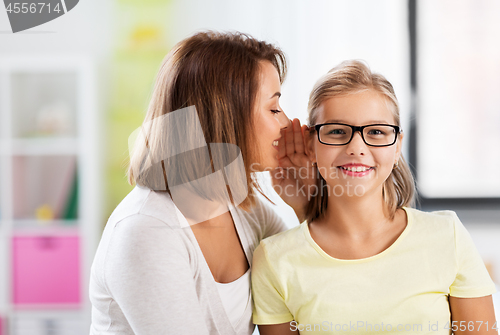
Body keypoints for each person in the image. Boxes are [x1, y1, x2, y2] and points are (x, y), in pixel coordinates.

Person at [251, 60, 498, 335]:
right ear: (311, 144)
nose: (356, 147)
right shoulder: (275, 260)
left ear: (397, 147)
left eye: (376, 132)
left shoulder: (447, 237)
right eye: (336, 131)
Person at [89, 31, 310, 335]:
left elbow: (309, 301)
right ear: (225, 118)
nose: (286, 123)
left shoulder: (246, 211)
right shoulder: (146, 232)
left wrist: (305, 207)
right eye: (273, 109)